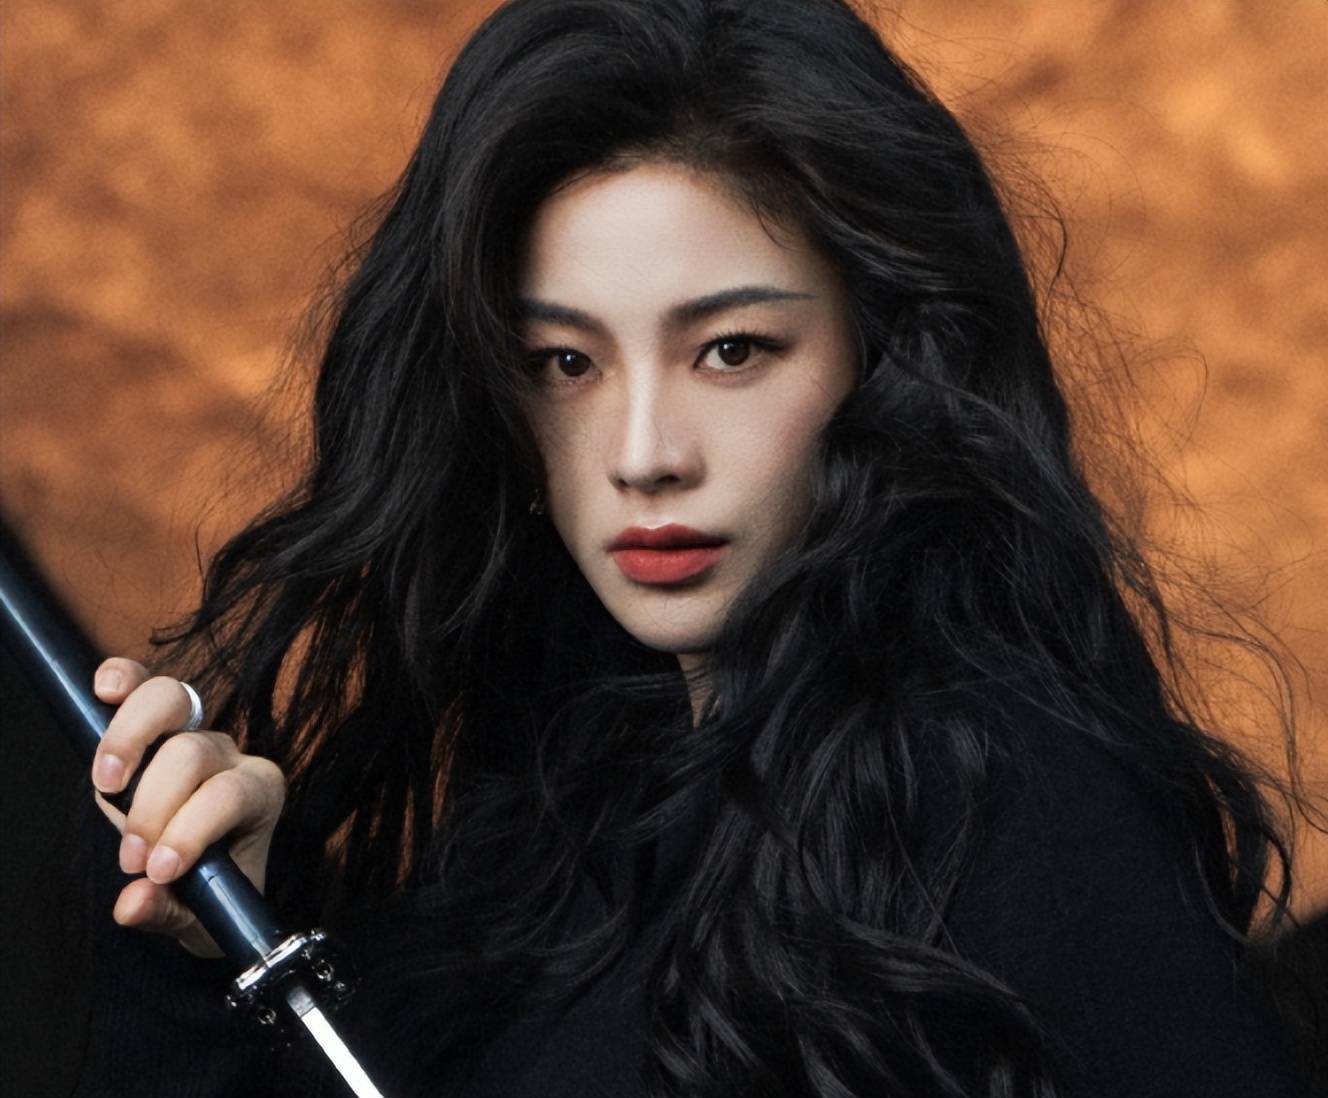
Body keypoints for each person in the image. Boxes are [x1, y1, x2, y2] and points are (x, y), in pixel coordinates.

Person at [70, 0, 1314, 1095]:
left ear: (885, 354)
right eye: (565, 363)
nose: (644, 455)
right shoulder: (558, 828)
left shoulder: (1005, 802)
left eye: (729, 351)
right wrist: (218, 945)